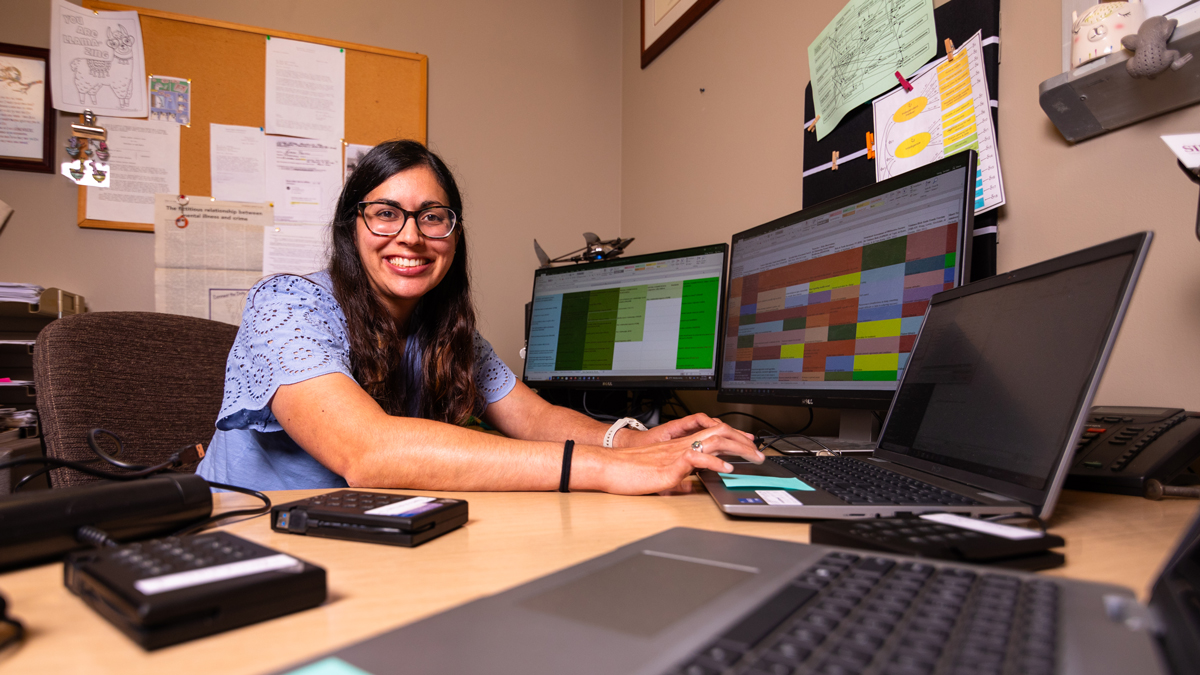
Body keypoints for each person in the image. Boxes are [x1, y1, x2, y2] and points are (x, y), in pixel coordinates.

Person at [196, 140, 762, 494]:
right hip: (254, 538)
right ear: (351, 228)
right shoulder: (287, 304)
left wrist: (639, 442)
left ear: (454, 234)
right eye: (385, 214)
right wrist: (605, 469)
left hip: (369, 534)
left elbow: (535, 419)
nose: (411, 236)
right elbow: (366, 452)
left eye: (432, 217)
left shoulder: (447, 334)